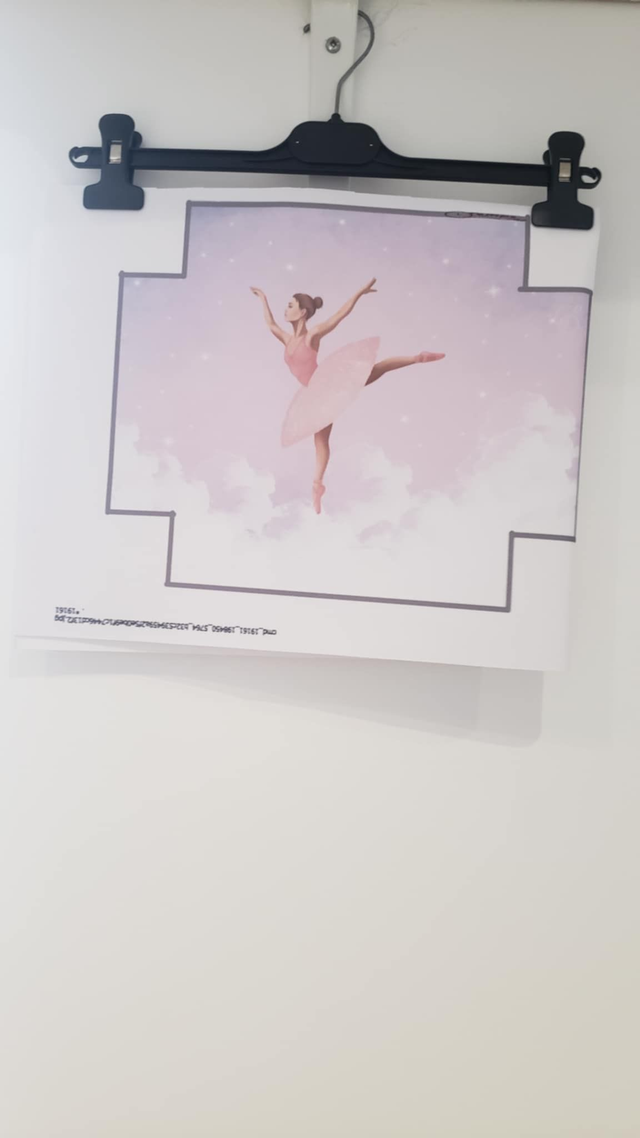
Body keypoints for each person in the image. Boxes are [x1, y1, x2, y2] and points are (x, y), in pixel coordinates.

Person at [250, 279, 445, 513]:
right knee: (322, 438)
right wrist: (263, 298)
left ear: (303, 312)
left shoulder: (312, 336)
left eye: (290, 305)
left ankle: (418, 357)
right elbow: (270, 323)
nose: (286, 309)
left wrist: (359, 293)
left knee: (324, 436)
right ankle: (317, 486)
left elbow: (339, 316)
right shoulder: (286, 338)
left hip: (327, 386)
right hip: (313, 393)